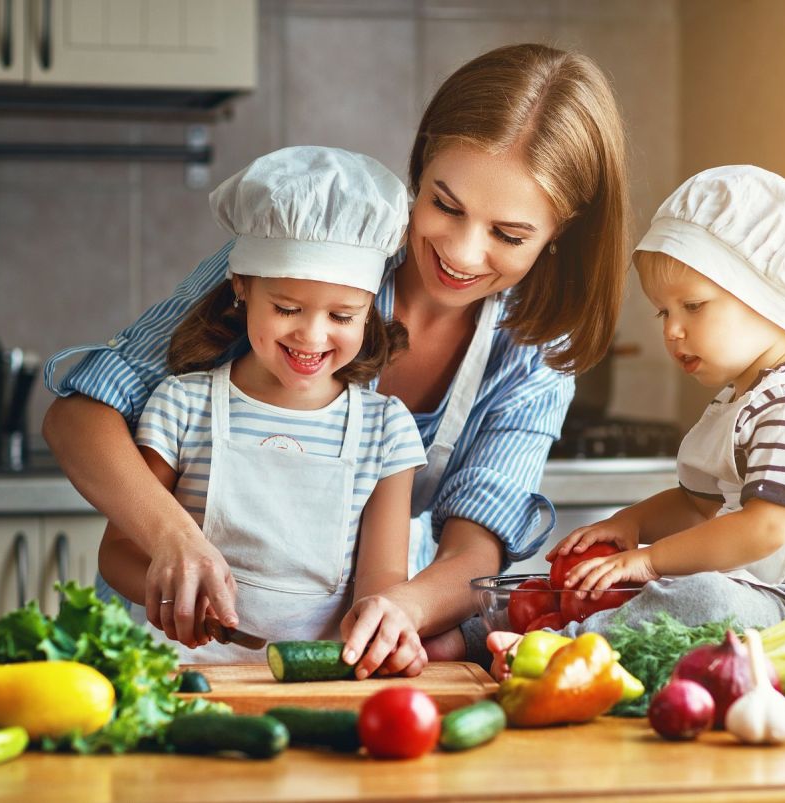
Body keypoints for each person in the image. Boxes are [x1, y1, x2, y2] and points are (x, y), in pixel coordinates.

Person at [41, 44, 629, 677]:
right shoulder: (309, 248)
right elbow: (79, 417)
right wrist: (173, 541)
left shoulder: (534, 354)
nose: (460, 251)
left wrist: (398, 610)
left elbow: (472, 551)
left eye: (508, 235)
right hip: (163, 645)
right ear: (421, 162)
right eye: (445, 206)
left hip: (325, 658)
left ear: (560, 230)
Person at [528, 165, 785, 649]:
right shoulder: (741, 403)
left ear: (766, 300)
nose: (671, 331)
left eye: (693, 306)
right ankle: (511, 634)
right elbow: (697, 507)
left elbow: (763, 530)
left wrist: (651, 560)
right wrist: (631, 523)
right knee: (680, 590)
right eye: (664, 311)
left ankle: (566, 645)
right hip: (765, 595)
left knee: (701, 595)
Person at [98, 146, 428, 664]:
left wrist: (382, 624)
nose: (312, 335)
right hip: (186, 671)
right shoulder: (184, 406)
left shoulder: (385, 430)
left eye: (343, 316)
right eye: (287, 308)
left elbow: (382, 577)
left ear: (369, 311)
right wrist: (171, 594)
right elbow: (118, 552)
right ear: (242, 287)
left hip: (317, 679)